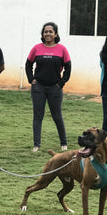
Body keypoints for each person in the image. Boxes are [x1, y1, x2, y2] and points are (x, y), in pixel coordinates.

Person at [25, 22, 71, 152]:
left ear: (56, 34)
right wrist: (31, 79)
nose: (48, 34)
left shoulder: (62, 49)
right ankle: (36, 145)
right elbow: (28, 64)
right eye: (46, 32)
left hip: (55, 88)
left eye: (51, 31)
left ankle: (64, 143)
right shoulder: (36, 48)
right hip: (38, 87)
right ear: (42, 34)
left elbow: (68, 67)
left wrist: (62, 82)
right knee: (38, 116)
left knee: (57, 116)